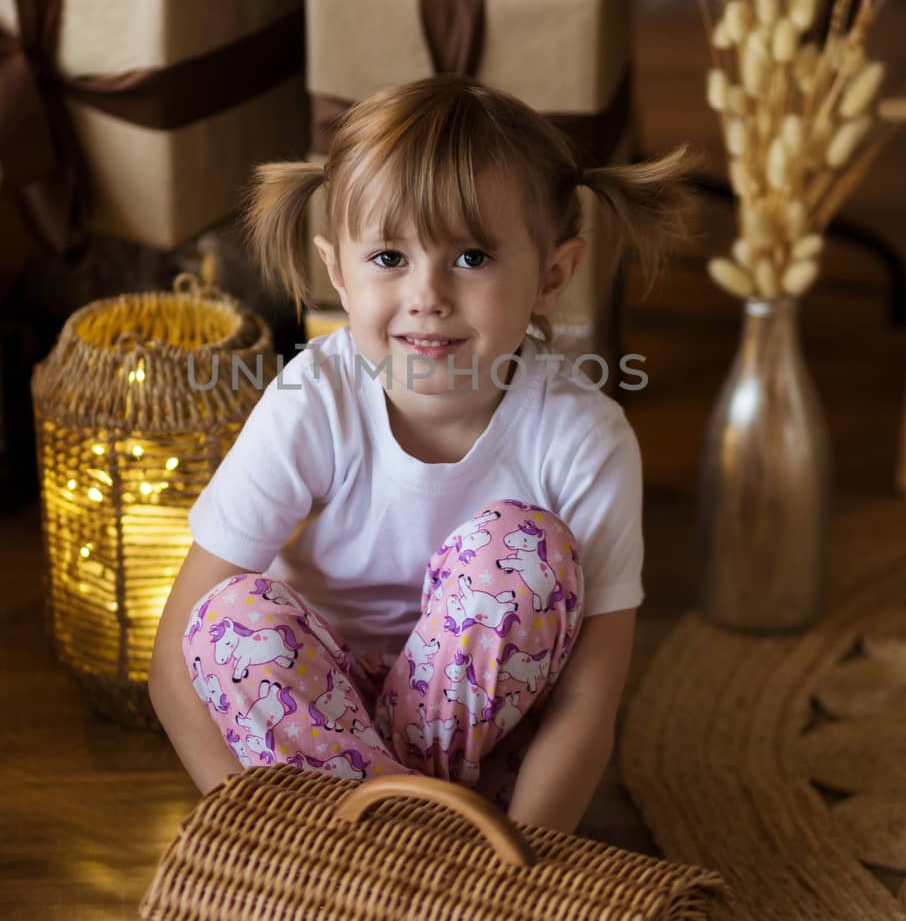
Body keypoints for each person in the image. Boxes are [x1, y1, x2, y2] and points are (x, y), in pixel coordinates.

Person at [148, 77, 692, 834]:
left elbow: (585, 705)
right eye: (389, 257)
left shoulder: (583, 436)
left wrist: (515, 876)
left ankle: (430, 861)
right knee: (230, 620)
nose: (426, 294)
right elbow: (173, 661)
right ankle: (383, 857)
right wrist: (243, 829)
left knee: (518, 550)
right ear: (336, 269)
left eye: (470, 257)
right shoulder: (314, 399)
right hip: (310, 741)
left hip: (486, 766)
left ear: (552, 275)